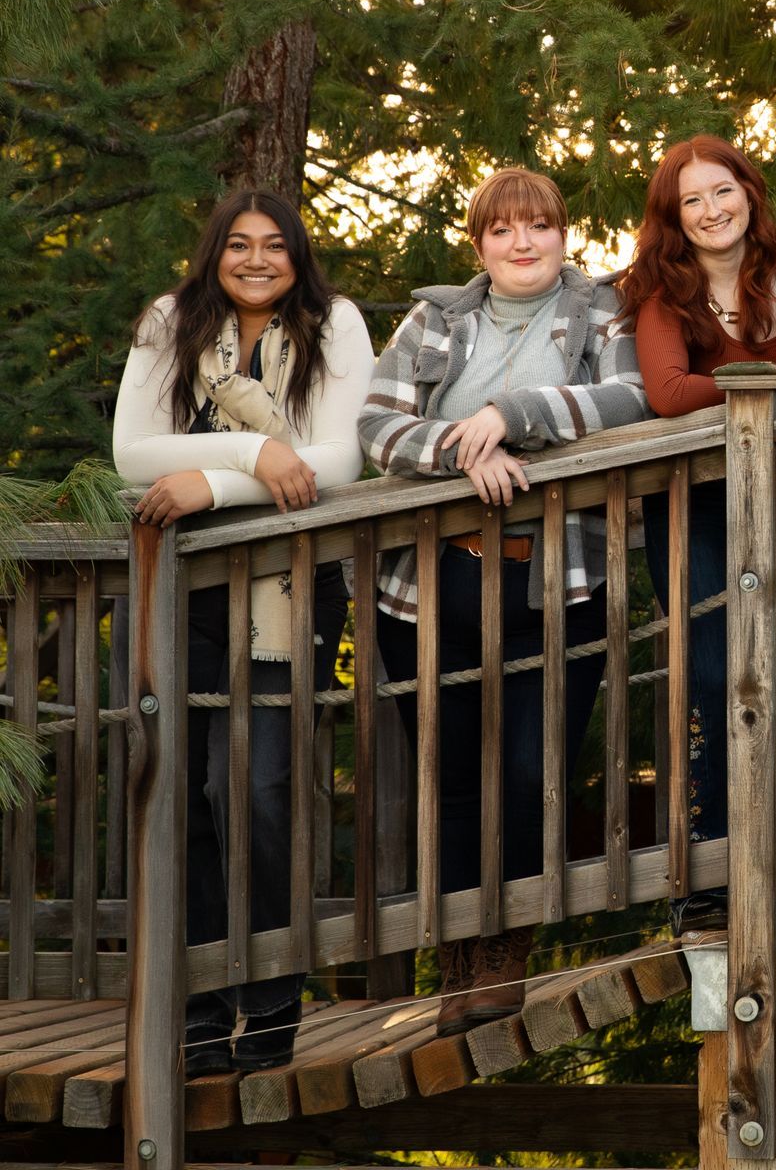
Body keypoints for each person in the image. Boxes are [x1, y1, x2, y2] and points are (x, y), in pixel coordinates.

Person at [360, 167, 646, 1036]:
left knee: (530, 770)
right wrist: (461, 447)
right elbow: (374, 423)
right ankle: (453, 951)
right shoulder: (435, 319)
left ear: (565, 234)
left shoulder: (602, 313)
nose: (522, 243)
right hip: (429, 580)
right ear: (478, 242)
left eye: (540, 227)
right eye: (503, 230)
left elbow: (632, 400)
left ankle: (503, 951)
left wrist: (514, 414)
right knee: (448, 773)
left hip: (559, 579)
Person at [113, 188, 374, 1075]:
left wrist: (214, 487)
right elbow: (131, 452)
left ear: (299, 255)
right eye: (237, 245)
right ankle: (192, 1014)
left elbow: (340, 460)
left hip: (289, 591)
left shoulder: (334, 326)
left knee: (257, 791)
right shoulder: (171, 320)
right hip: (174, 590)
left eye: (275, 245)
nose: (256, 260)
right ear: (212, 252)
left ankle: (268, 1002)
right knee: (178, 794)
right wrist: (258, 454)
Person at [620, 135, 776, 934]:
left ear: (749, 192)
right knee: (707, 675)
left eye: (721, 191)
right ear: (674, 218)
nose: (710, 210)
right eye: (690, 200)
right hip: (694, 506)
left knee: (760, 671)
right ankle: (701, 870)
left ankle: (757, 858)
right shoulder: (661, 290)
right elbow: (666, 392)